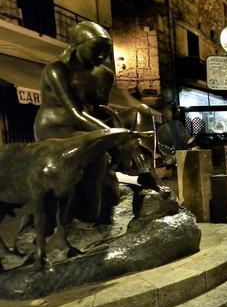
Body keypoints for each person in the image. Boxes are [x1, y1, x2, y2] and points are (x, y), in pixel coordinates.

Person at [34, 21, 167, 224]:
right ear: (77, 45)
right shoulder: (57, 70)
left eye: (106, 51)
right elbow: (76, 113)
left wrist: (125, 135)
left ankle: (147, 172)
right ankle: (89, 214)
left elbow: (98, 111)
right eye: (96, 49)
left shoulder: (104, 75)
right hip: (58, 129)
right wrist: (120, 138)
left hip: (88, 127)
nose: (101, 56)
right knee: (96, 149)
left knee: (141, 111)